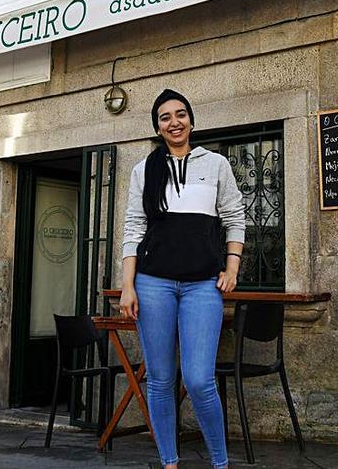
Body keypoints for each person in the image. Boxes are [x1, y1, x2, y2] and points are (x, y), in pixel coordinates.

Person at [119, 89, 246, 469]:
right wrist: (128, 284)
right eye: (164, 117)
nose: (174, 122)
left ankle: (220, 463)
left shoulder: (217, 164)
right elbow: (133, 227)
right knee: (159, 379)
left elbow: (235, 217)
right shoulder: (145, 169)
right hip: (152, 282)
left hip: (202, 285)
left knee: (198, 379)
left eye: (180, 114)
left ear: (191, 119)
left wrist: (232, 268)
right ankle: (169, 462)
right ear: (157, 127)